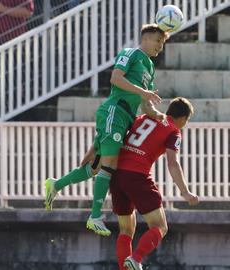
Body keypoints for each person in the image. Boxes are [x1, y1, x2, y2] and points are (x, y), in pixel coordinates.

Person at [44, 23, 168, 237]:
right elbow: (116, 78)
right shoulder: (130, 53)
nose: (160, 47)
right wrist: (143, 93)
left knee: (96, 167)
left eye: (163, 43)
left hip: (125, 118)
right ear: (146, 38)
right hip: (114, 111)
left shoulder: (149, 66)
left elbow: (145, 103)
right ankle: (94, 216)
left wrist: (156, 113)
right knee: (110, 165)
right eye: (158, 41)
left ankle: (56, 184)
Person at [109, 97, 199, 270]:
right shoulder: (173, 130)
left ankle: (124, 268)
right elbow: (173, 163)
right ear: (182, 119)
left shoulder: (144, 117)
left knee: (126, 230)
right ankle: (136, 259)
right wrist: (185, 192)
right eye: (187, 121)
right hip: (137, 176)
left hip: (117, 175)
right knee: (160, 226)